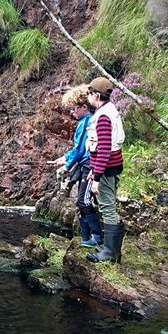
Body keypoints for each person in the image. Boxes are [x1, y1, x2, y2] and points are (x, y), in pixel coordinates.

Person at [53, 85, 102, 247]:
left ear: (84, 107)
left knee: (84, 201)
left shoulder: (87, 121)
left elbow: (80, 150)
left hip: (88, 165)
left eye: (74, 108)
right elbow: (77, 148)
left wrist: (67, 165)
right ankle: (85, 238)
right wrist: (64, 158)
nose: (72, 112)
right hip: (84, 165)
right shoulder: (84, 121)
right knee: (81, 202)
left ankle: (96, 235)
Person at [84, 77, 126, 263]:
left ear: (96, 95)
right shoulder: (109, 111)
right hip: (109, 168)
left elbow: (104, 150)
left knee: (107, 207)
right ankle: (112, 251)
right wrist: (94, 170)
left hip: (107, 170)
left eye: (89, 93)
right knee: (108, 206)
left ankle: (109, 253)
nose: (87, 97)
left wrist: (97, 177)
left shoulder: (102, 118)